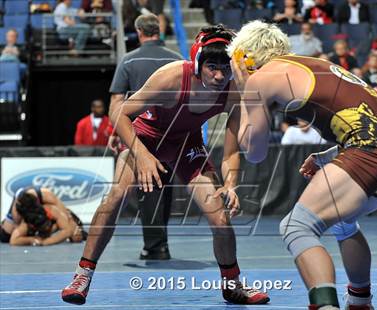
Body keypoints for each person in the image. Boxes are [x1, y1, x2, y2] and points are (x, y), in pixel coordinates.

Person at [61, 24, 269, 305]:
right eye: (212, 68)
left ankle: (232, 285)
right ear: (197, 62)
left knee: (220, 217)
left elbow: (231, 153)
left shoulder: (233, 90)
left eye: (226, 67)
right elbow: (121, 114)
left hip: (187, 144)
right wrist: (143, 156)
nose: (220, 76)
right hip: (145, 138)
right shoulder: (171, 77)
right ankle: (82, 275)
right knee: (116, 198)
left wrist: (231, 184)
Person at [228, 20, 377, 309]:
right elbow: (364, 113)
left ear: (245, 58)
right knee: (343, 223)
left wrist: (245, 94)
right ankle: (359, 301)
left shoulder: (261, 78)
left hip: (373, 147)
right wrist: (329, 155)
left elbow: (254, 152)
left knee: (297, 227)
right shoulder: (313, 63)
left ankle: (325, 305)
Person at [108, 13, 183, 260]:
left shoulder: (128, 61)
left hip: (142, 132)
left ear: (139, 32)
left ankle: (156, 246)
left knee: (147, 185)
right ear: (158, 31)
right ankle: (159, 242)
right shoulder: (177, 61)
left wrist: (115, 131)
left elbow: (117, 103)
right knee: (164, 185)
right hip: (173, 131)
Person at [0, 187, 86, 245]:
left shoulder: (48, 197)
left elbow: (67, 219)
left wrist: (73, 229)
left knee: (70, 224)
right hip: (22, 207)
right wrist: (32, 239)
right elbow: (14, 239)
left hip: (40, 205)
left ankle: (77, 229)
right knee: (5, 236)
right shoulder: (18, 210)